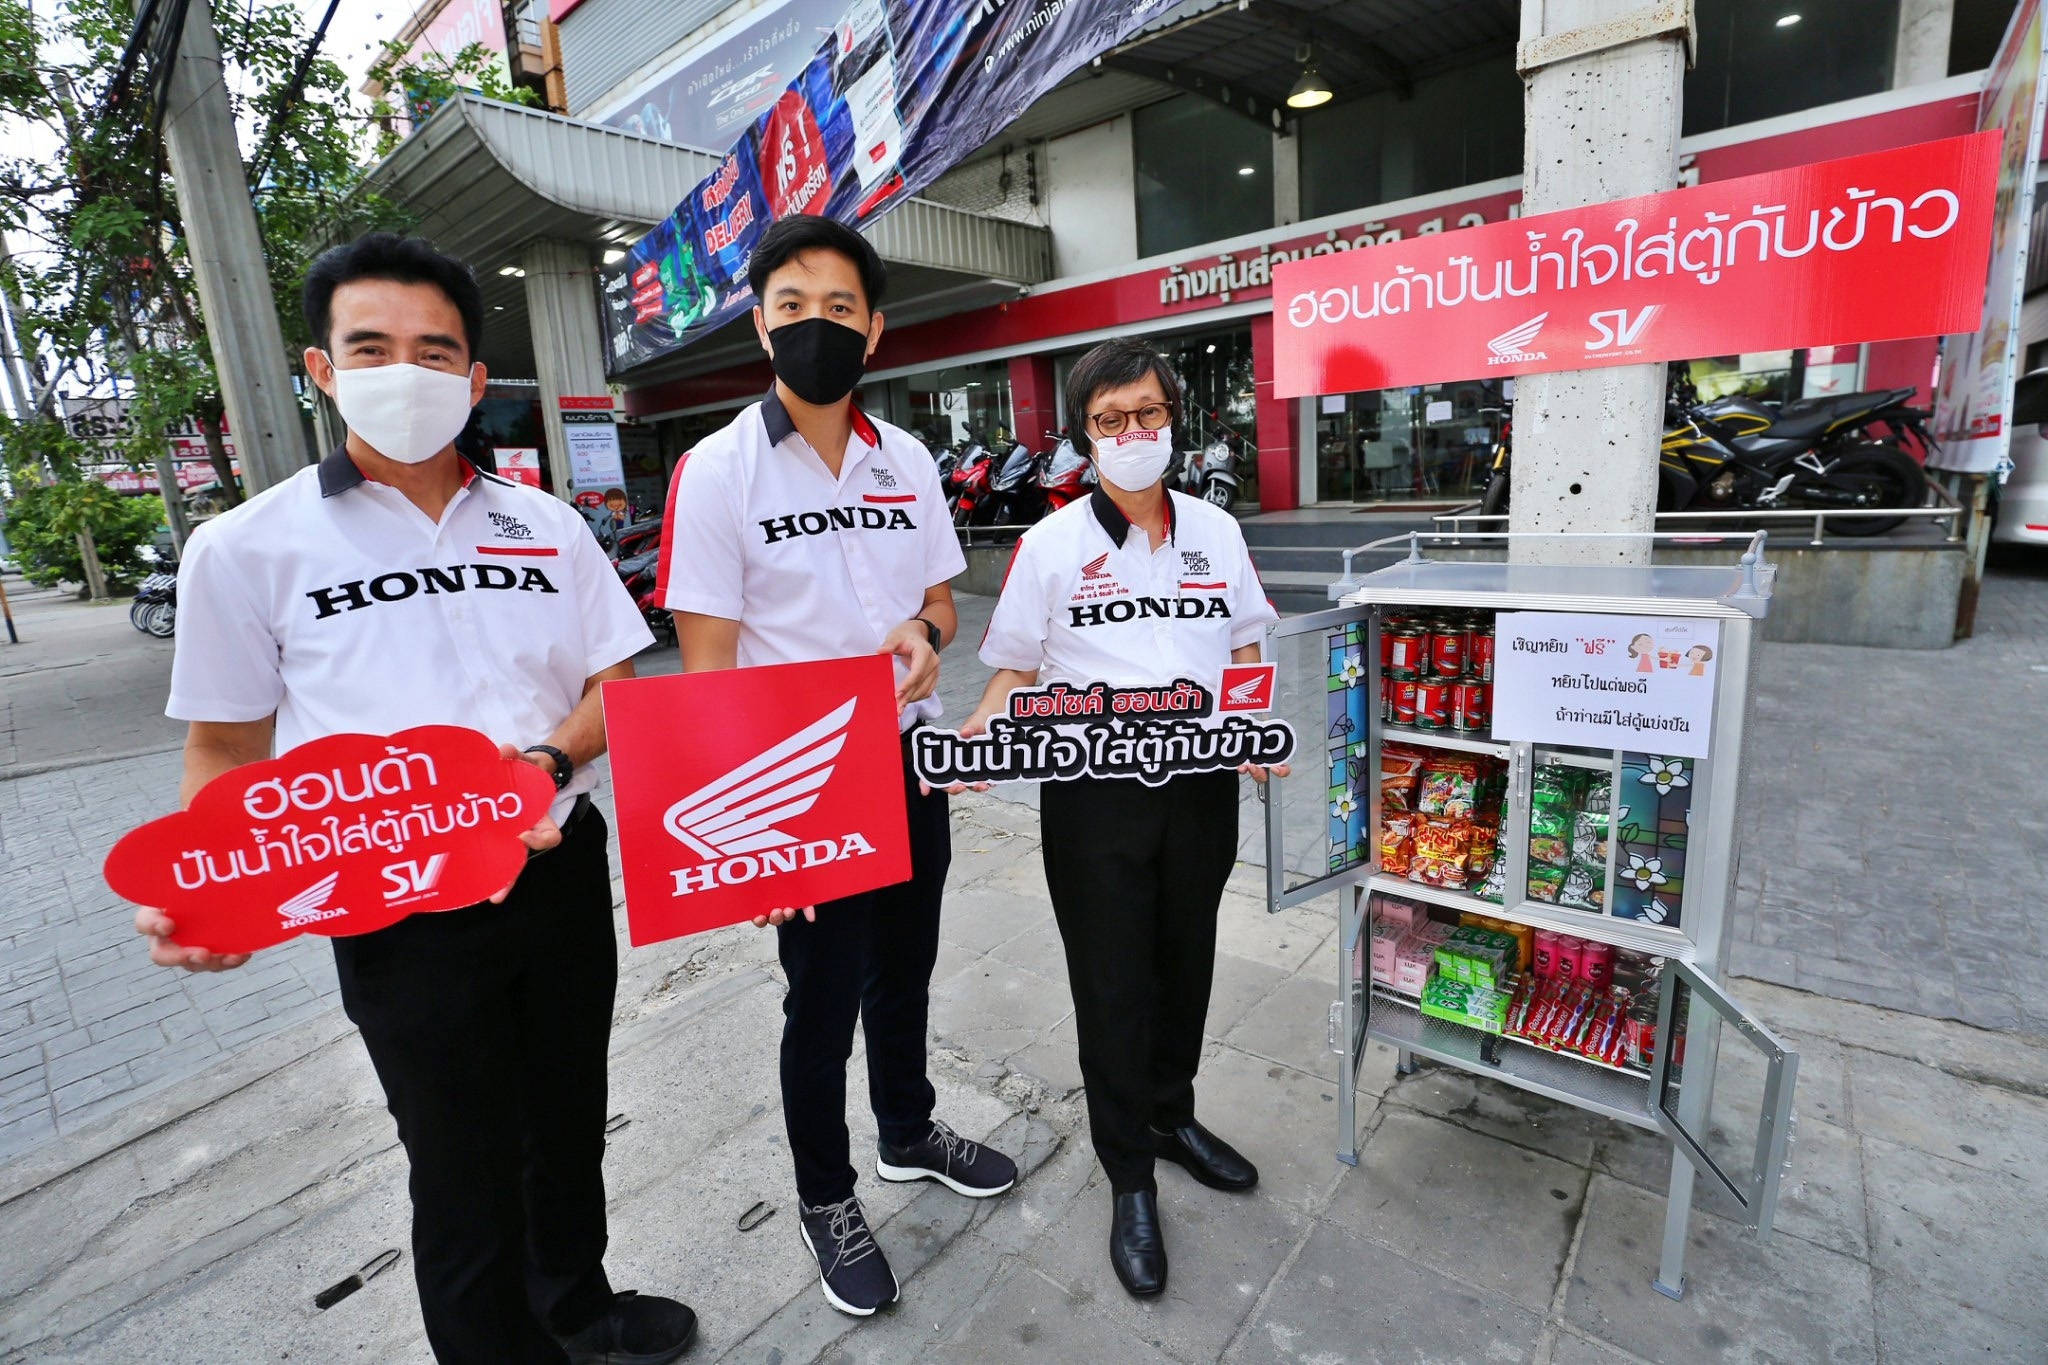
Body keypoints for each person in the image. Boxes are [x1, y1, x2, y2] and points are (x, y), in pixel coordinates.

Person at [132, 232, 697, 1365]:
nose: (405, 371)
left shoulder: (546, 527)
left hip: (556, 871)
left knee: (566, 1120)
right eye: (371, 347)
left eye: (434, 351)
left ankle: (577, 1306)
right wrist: (220, 887)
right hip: (395, 911)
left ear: (474, 379)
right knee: (459, 1169)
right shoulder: (247, 547)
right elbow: (226, 744)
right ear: (322, 368)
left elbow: (616, 683)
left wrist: (544, 763)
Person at [656, 215, 1018, 1318]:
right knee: (818, 1007)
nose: (817, 324)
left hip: (906, 764)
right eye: (793, 305)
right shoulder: (716, 471)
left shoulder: (904, 459)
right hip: (800, 788)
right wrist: (752, 840)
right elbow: (705, 673)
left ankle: (907, 1130)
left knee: (905, 969)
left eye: (840, 307)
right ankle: (827, 1196)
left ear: (875, 328)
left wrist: (926, 635)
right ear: (761, 326)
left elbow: (941, 602)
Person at [962, 337, 1282, 1299]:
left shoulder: (1215, 531)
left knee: (1187, 964)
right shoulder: (1050, 546)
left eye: (1148, 412)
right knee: (1112, 984)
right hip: (1093, 797)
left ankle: (1171, 1116)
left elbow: (1245, 649)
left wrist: (1256, 728)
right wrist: (981, 729)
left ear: (1174, 419)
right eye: (1111, 419)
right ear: (1084, 434)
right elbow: (1015, 669)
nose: (1133, 431)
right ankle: (1128, 1171)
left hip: (1202, 786)